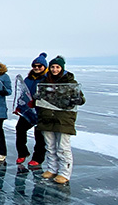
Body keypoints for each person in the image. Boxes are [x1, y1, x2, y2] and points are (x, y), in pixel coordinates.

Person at [36, 55, 85, 184]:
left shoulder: (71, 83)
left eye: (57, 67)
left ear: (62, 68)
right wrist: (37, 96)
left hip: (63, 119)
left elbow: (81, 99)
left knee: (63, 147)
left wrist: (78, 100)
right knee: (50, 146)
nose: (54, 69)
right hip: (47, 117)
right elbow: (41, 98)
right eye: (52, 67)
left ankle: (64, 173)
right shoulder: (45, 82)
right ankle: (52, 169)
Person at [15, 52, 48, 167]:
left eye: (40, 66)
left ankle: (38, 158)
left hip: (42, 111)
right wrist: (19, 107)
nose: (37, 68)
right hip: (29, 111)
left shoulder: (47, 79)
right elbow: (23, 94)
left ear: (45, 67)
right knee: (20, 129)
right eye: (35, 66)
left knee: (39, 135)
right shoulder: (28, 79)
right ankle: (22, 153)